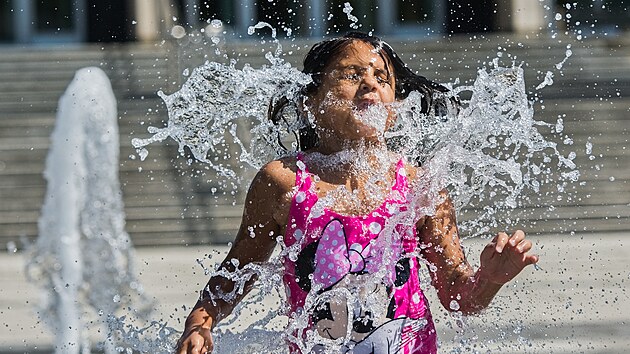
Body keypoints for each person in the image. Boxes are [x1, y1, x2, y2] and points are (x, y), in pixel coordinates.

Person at [175, 32, 539, 354]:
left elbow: (458, 297)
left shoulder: (420, 186)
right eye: (351, 75)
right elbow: (238, 270)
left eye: (382, 78)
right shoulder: (285, 181)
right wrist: (200, 324)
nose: (370, 84)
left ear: (395, 108)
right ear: (311, 102)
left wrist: (489, 279)